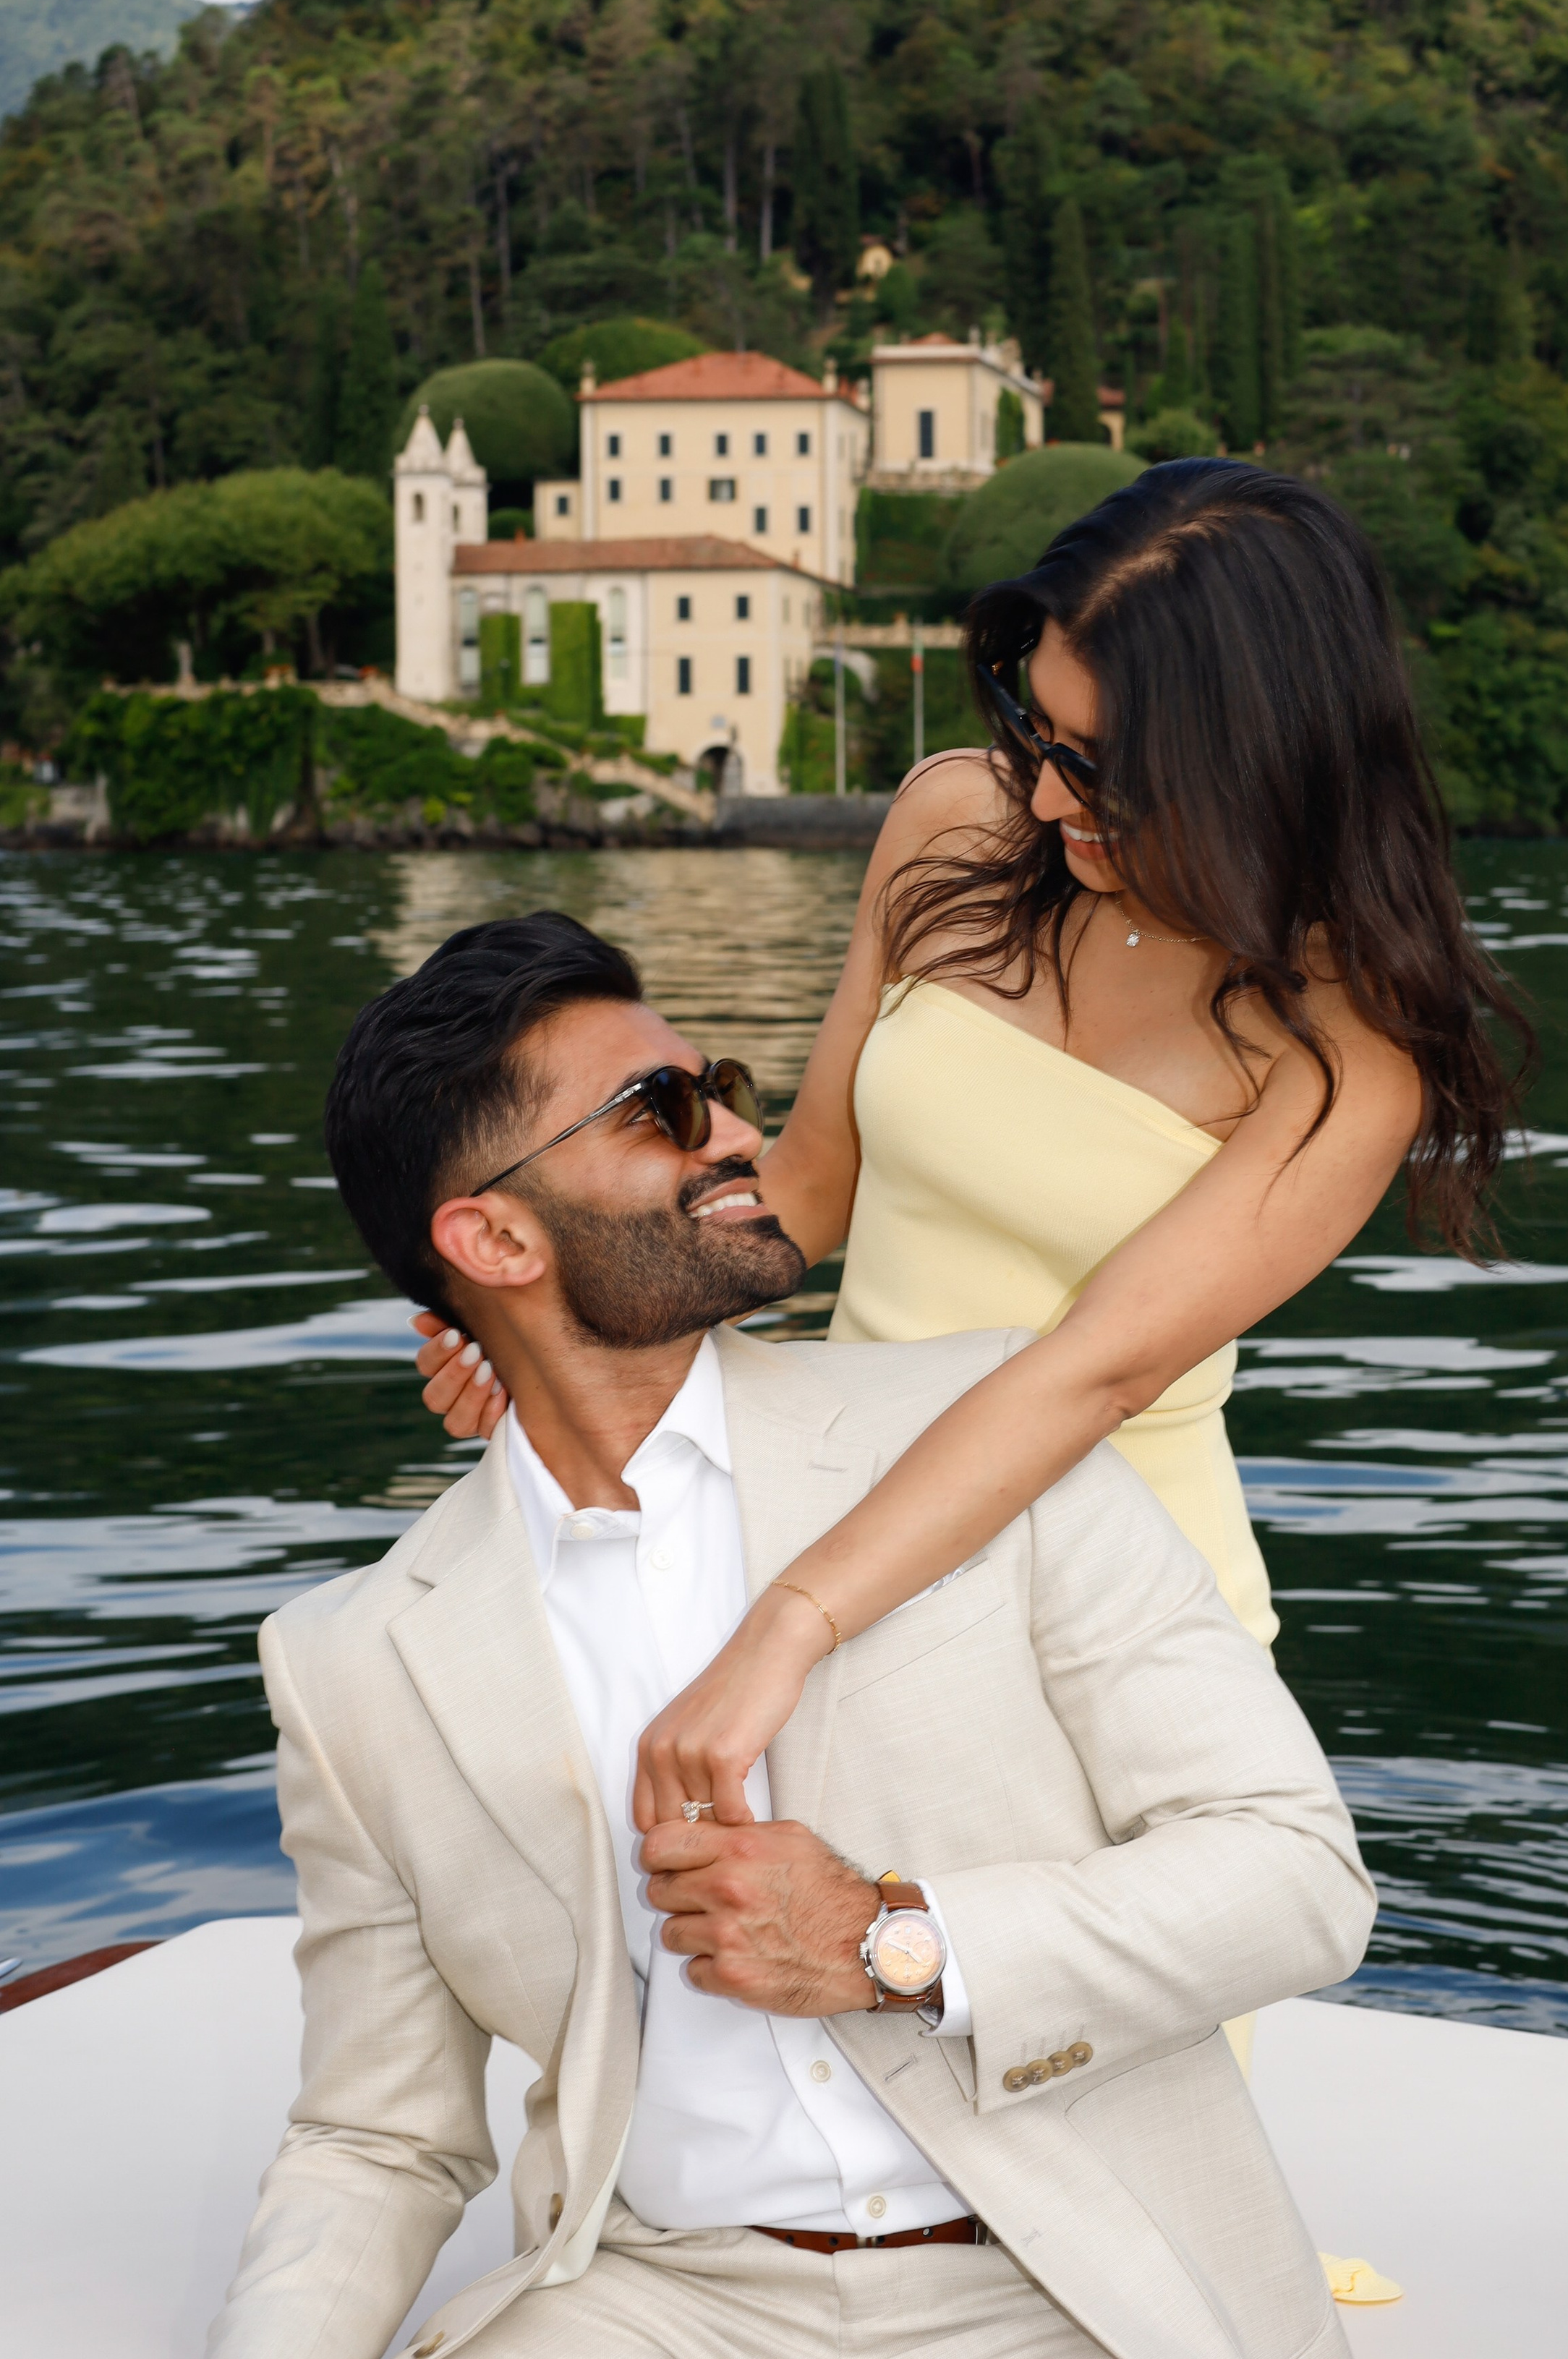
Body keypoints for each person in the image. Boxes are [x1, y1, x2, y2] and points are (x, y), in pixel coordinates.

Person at [214, 912, 1375, 2359]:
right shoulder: (353, 1664)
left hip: (1058, 2275)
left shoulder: (988, 1436)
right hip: (656, 2300)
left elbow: (1296, 1875)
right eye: (659, 1110)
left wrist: (893, 1942)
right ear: (496, 1237)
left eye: (722, 1087)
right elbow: (377, 2139)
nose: (734, 1134)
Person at [414, 464, 1529, 1857]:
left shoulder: (1348, 1049)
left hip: (1108, 1629)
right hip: (835, 1540)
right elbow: (808, 1185)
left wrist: (790, 1620)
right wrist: (569, 1334)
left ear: (1257, 760)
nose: (1049, 791)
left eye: (1102, 764)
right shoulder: (955, 823)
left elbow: (1092, 1374)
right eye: (1034, 727)